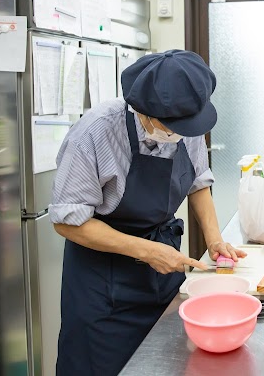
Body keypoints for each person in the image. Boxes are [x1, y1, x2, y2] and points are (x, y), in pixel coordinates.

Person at [50, 50, 246, 376]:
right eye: (173, 126)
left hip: (161, 274)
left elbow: (197, 180)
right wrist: (145, 250)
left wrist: (215, 240)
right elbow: (67, 222)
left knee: (169, 363)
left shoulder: (185, 123)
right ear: (145, 113)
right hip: (102, 287)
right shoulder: (94, 133)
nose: (182, 134)